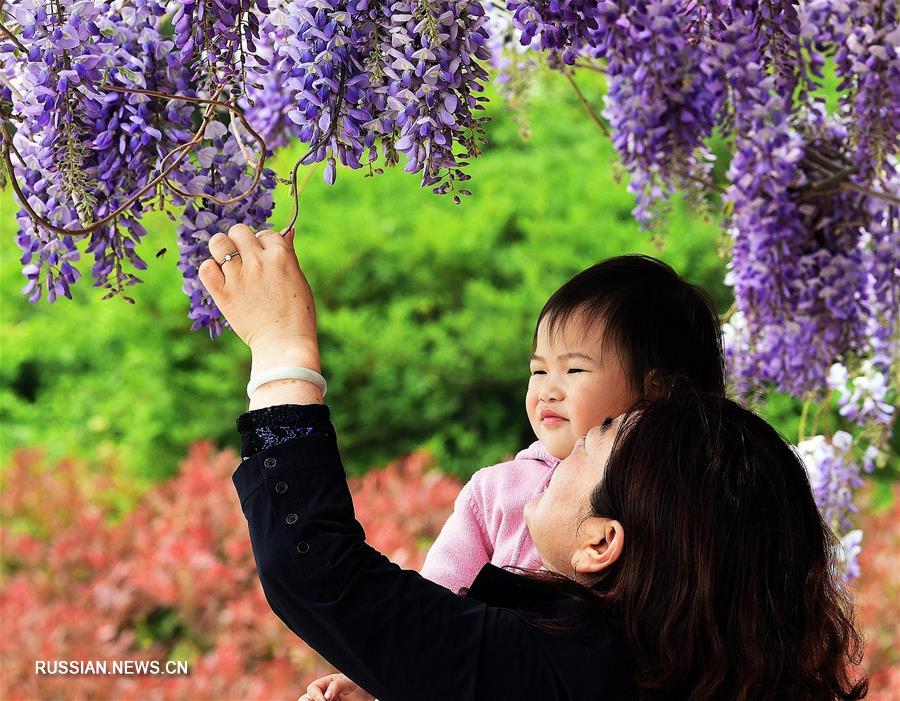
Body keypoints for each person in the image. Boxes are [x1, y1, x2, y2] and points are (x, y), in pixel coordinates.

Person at [199, 224, 867, 700]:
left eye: (602, 433)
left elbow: (315, 570)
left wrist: (284, 351)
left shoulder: (577, 665)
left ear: (602, 539)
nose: (562, 449)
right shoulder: (657, 665)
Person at [303, 253, 727, 698]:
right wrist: (377, 676)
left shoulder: (679, 507)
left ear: (656, 393)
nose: (547, 388)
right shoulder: (496, 489)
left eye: (574, 369)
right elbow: (431, 608)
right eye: (538, 369)